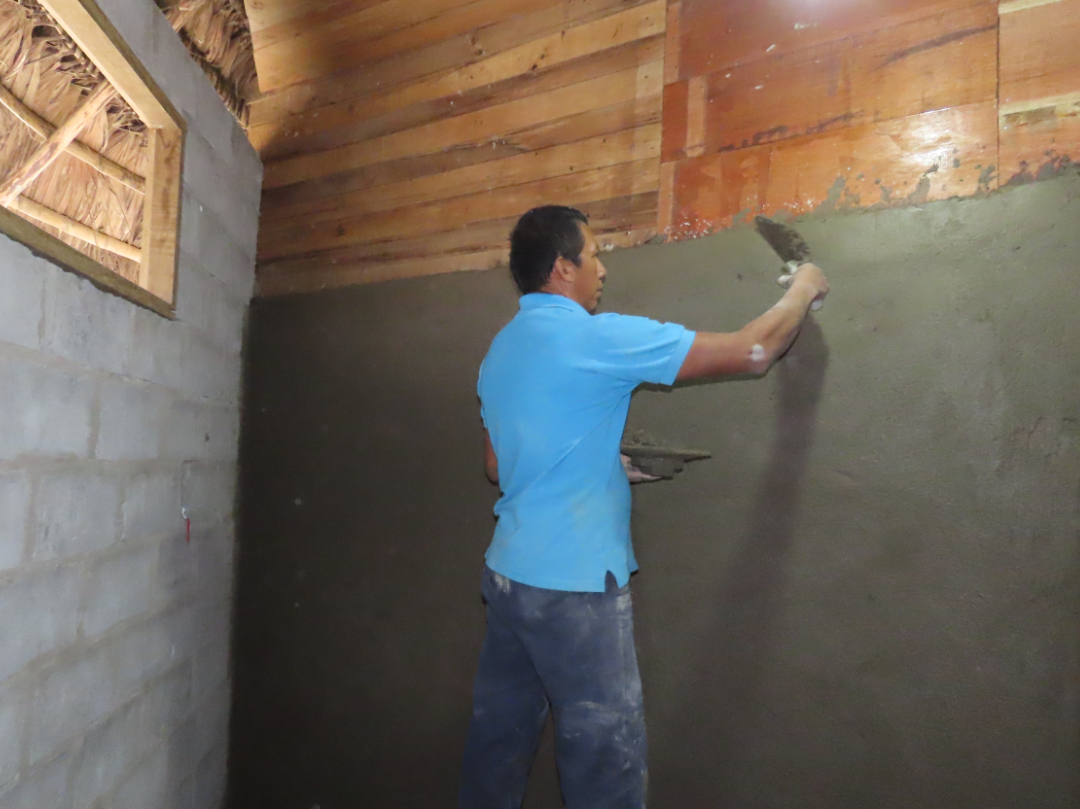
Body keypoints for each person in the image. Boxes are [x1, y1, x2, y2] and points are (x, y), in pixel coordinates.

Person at [459, 206, 828, 809]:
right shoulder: (594, 336)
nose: (602, 270)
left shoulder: (499, 350)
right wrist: (806, 286)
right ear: (561, 267)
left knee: (497, 747)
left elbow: (500, 467)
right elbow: (753, 352)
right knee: (605, 762)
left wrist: (603, 465)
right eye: (595, 254)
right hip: (574, 588)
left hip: (508, 579)